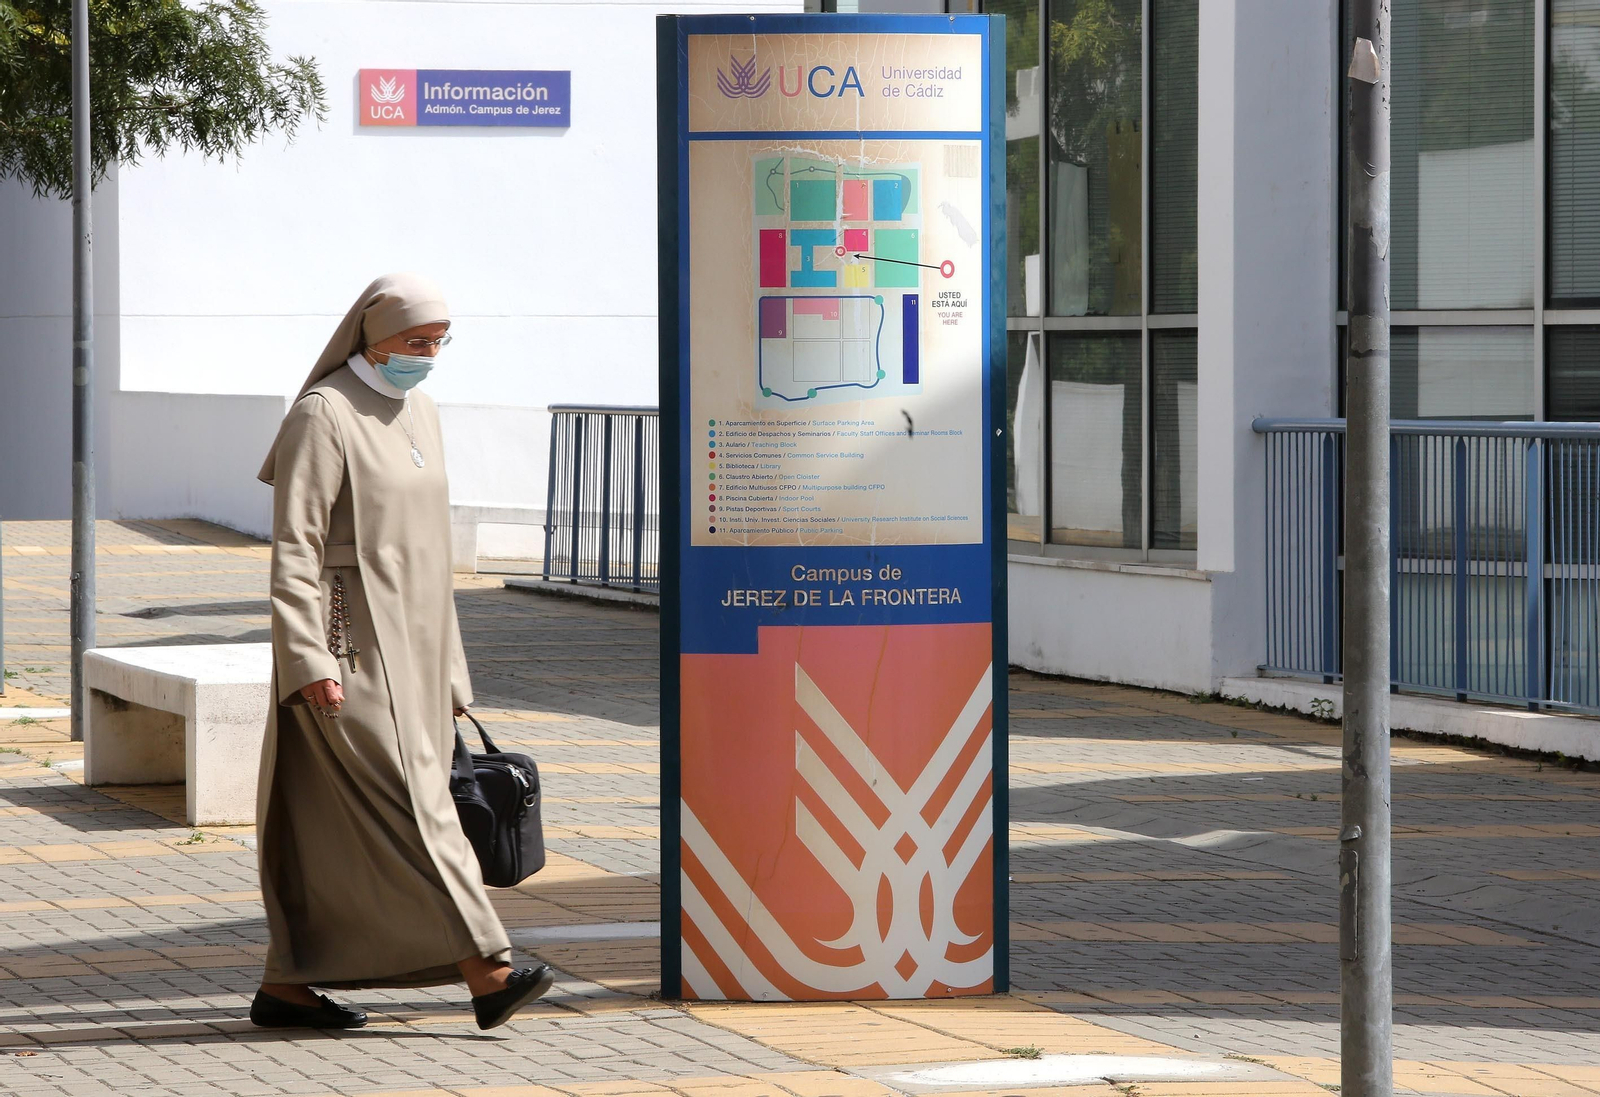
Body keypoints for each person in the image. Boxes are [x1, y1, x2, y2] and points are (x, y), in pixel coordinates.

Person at [251, 273, 553, 1031]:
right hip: (348, 646)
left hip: (419, 652)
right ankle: (489, 970)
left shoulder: (421, 407)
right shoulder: (323, 413)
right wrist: (306, 655)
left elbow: (433, 550)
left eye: (438, 343)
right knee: (415, 810)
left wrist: (451, 669)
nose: (428, 356)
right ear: (372, 335)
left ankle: (286, 985)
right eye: (416, 342)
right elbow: (296, 546)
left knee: (324, 825)